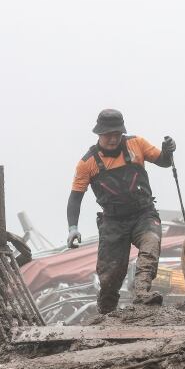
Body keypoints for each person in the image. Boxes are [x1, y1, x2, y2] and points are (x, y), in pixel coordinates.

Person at [66, 109, 176, 313]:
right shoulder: (87, 163)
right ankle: (106, 314)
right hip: (113, 222)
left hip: (144, 214)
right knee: (110, 276)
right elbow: (75, 198)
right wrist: (73, 227)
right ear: (99, 134)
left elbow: (164, 162)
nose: (113, 139)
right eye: (108, 135)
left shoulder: (137, 144)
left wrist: (168, 150)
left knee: (151, 246)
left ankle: (142, 293)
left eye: (117, 134)